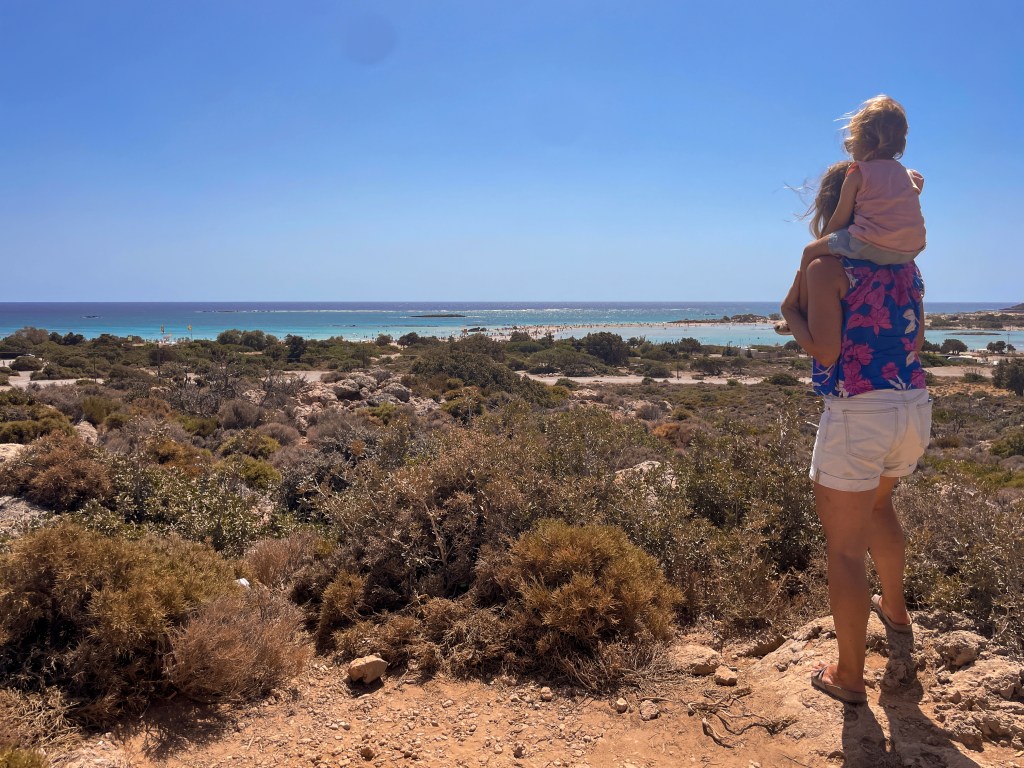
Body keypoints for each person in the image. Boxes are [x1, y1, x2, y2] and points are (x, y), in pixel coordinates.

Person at [780, 160, 932, 705]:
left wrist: (787, 313)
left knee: (844, 552)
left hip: (858, 414)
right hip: (912, 405)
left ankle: (848, 677)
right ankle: (896, 612)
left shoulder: (827, 267)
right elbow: (913, 343)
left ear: (834, 208)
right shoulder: (907, 269)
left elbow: (823, 349)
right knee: (877, 509)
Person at [776, 95, 926, 335]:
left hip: (870, 243)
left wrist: (821, 243)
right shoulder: (909, 176)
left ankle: (802, 310)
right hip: (910, 250)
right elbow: (910, 199)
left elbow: (839, 219)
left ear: (867, 140)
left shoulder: (858, 173)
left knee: (808, 252)